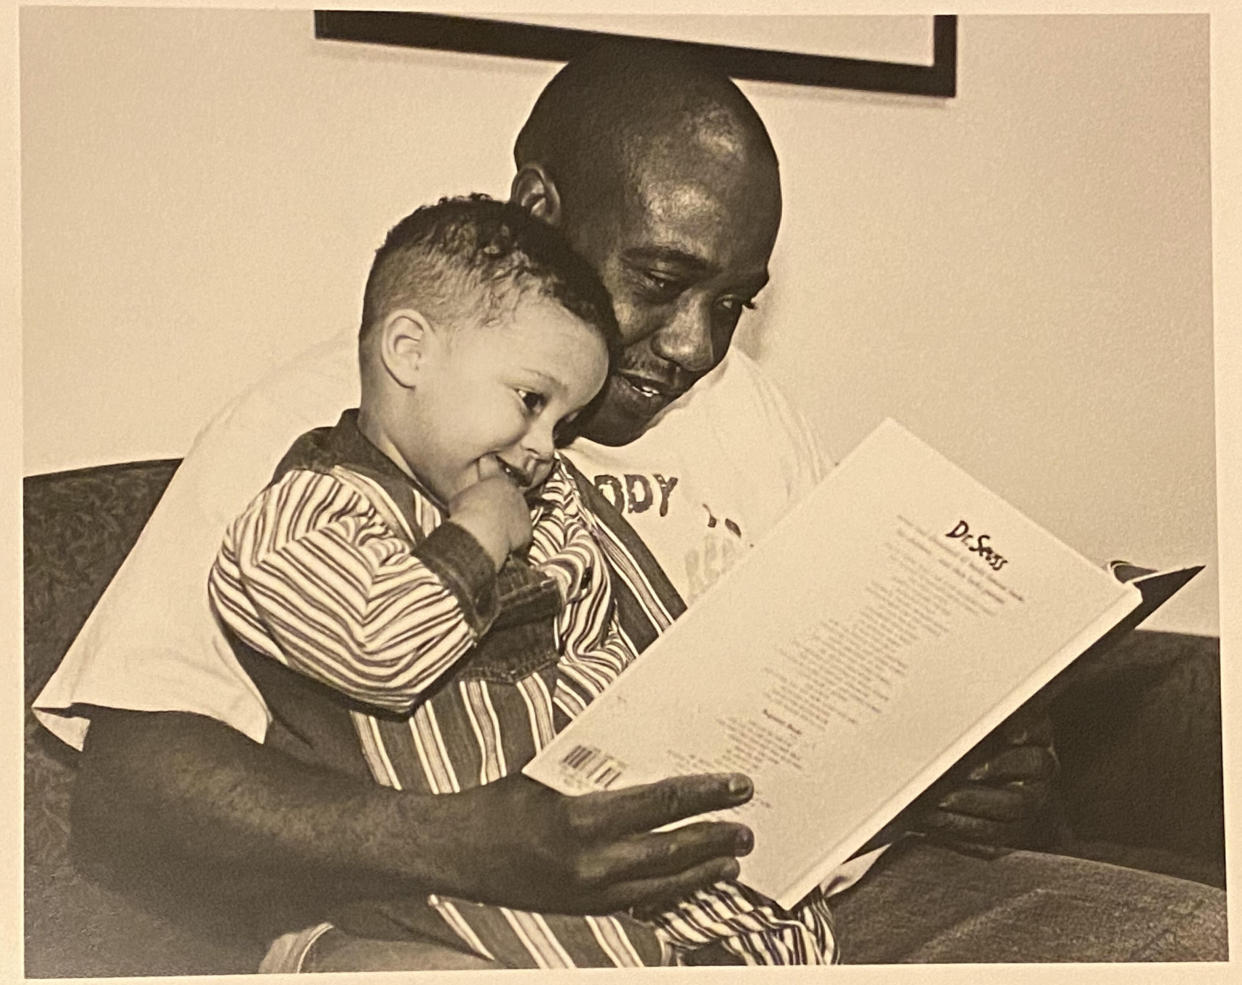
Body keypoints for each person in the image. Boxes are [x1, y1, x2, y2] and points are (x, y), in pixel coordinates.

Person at [35, 41, 1226, 970]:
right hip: (454, 913)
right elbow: (133, 782)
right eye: (664, 282)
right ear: (540, 209)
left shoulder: (749, 415)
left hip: (789, 909)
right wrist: (459, 840)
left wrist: (959, 766)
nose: (697, 346)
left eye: (736, 303)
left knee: (1197, 942)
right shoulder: (339, 419)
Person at [207, 194, 836, 967]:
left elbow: (609, 633)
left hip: (595, 811)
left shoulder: (544, 491)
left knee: (779, 920)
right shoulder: (309, 507)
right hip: (456, 884)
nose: (545, 447)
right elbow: (378, 649)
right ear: (409, 351)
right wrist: (477, 535)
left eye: (563, 424)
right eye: (531, 402)